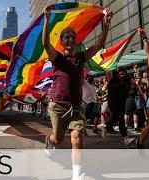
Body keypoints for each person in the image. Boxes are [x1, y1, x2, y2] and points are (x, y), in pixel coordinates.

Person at [42, 5, 113, 179]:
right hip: (58, 106)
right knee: (58, 140)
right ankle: (49, 141)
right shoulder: (57, 57)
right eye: (66, 37)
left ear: (75, 40)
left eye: (72, 37)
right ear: (61, 40)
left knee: (76, 138)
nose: (70, 40)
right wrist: (46, 19)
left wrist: (107, 23)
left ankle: (76, 175)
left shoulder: (81, 57)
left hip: (76, 107)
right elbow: (45, 43)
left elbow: (99, 45)